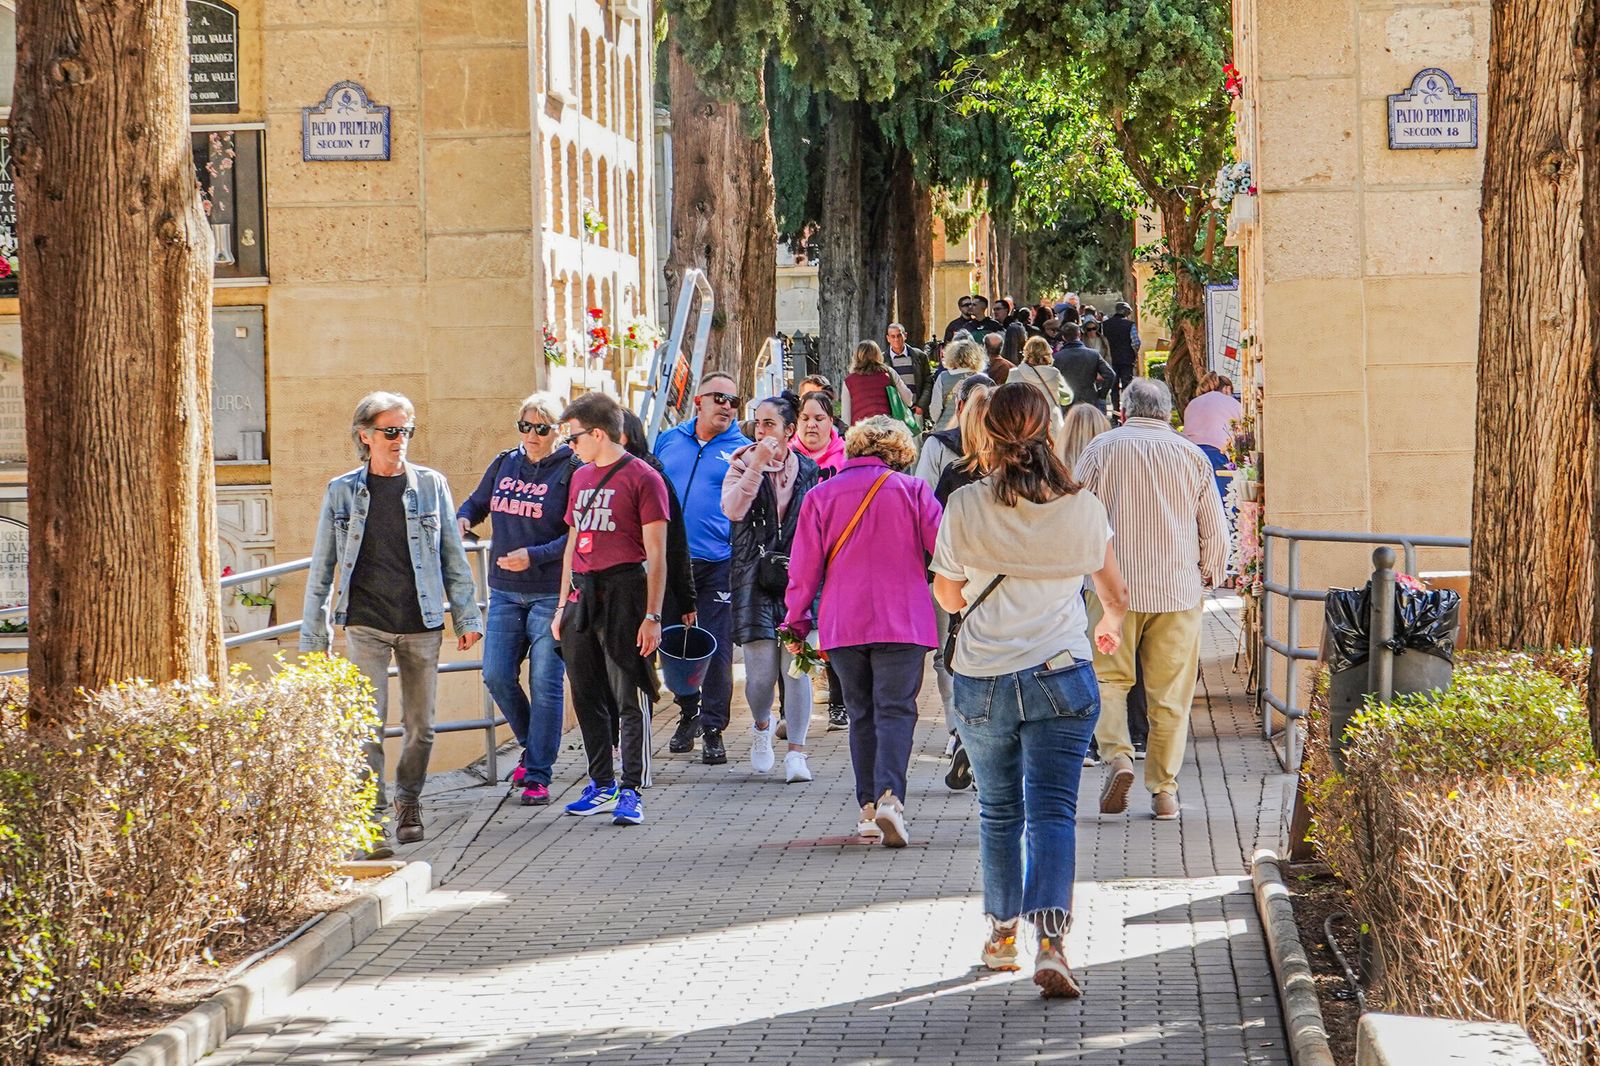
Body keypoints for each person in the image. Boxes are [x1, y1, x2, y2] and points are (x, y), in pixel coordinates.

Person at [932, 383, 1128, 996]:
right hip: (1061, 673)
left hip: (985, 677)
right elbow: (1114, 595)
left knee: (998, 810)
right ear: (1052, 432)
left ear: (987, 433)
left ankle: (1002, 934)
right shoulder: (1084, 507)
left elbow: (946, 593)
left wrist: (980, 597)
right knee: (1052, 810)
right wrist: (1110, 627)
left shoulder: (965, 505)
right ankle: (1052, 940)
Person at [301, 392, 484, 858]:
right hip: (365, 622)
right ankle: (371, 821)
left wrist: (465, 615)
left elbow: (451, 554)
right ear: (366, 436)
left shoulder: (430, 485)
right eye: (390, 431)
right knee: (367, 726)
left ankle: (408, 800)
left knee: (422, 728)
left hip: (421, 620)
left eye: (406, 431)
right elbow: (322, 567)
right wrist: (314, 635)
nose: (400, 439)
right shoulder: (342, 490)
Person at [1073, 379, 1229, 822]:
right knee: (1169, 696)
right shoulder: (1190, 454)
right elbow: (1213, 528)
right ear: (1168, 413)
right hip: (1176, 591)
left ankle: (1118, 756)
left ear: (1124, 410)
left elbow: (1079, 514)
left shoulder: (1102, 449)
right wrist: (1209, 577)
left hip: (1110, 590)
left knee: (1109, 681)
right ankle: (1164, 790)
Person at [783, 416, 942, 848]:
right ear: (900, 455)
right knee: (896, 710)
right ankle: (892, 796)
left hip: (843, 621)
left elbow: (803, 568)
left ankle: (868, 809)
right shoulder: (913, 492)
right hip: (903, 620)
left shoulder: (820, 496)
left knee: (861, 714)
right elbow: (943, 550)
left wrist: (796, 619)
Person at [554, 392, 670, 827]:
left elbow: (656, 554)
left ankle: (631, 789)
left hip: (626, 589)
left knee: (629, 690)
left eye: (575, 438)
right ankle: (600, 782)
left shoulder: (643, 478)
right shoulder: (581, 478)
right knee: (586, 692)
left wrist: (653, 615)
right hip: (583, 593)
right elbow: (571, 543)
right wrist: (562, 603)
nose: (571, 446)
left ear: (598, 433)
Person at [457, 392, 576, 807]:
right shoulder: (505, 462)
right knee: (496, 674)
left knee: (545, 681)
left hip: (548, 593)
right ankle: (532, 745)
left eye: (541, 428)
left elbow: (577, 535)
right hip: (505, 591)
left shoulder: (572, 469)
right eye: (525, 426)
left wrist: (536, 556)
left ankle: (539, 773)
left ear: (559, 430)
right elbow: (477, 502)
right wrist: (462, 520)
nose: (532, 435)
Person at [723, 393, 824, 783]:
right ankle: (762, 727)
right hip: (752, 579)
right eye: (757, 423)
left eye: (770, 424)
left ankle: (797, 752)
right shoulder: (740, 465)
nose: (761, 431)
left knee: (797, 670)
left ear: (789, 430)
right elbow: (732, 510)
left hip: (800, 581)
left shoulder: (811, 472)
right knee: (761, 675)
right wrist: (757, 468)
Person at [653, 373, 752, 764]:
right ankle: (687, 711)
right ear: (699, 401)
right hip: (670, 562)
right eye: (718, 397)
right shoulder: (669, 440)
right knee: (673, 644)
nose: (726, 405)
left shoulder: (743, 450)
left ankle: (713, 728)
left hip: (717, 564)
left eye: (733, 399)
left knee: (717, 647)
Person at [1182, 371, 1245, 499]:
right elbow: (1243, 431)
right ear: (1227, 389)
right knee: (1223, 498)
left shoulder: (1192, 404)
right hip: (1217, 452)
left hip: (1189, 454)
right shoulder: (1232, 402)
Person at [841, 340, 914, 425]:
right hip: (887, 426)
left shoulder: (849, 381)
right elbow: (908, 399)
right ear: (878, 355)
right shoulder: (888, 373)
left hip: (861, 429)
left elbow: (846, 415)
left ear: (857, 356)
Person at [1053, 322, 1116, 412]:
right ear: (1079, 334)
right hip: (1090, 400)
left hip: (1067, 403)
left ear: (1063, 337)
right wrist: (1102, 394)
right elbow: (1110, 375)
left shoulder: (1057, 358)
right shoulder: (1093, 354)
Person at [928, 338, 985, 428]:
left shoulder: (943, 377)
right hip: (973, 430)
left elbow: (935, 409)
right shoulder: (983, 379)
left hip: (946, 430)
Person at [885, 323, 934, 419]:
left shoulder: (919, 356)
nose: (896, 339)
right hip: (894, 413)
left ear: (905, 335)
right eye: (892, 336)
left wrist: (921, 406)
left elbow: (928, 382)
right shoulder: (882, 360)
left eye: (899, 335)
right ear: (888, 338)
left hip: (916, 411)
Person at [1014, 336, 1069, 421]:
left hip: (1024, 423)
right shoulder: (1054, 374)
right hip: (1049, 422)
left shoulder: (1014, 373)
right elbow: (1067, 399)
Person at [1101, 301, 1142, 411]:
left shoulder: (1105, 325)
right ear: (1126, 312)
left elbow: (1102, 342)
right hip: (1127, 359)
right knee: (1126, 386)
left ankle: (1115, 412)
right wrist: (1134, 353)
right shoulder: (1130, 325)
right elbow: (1136, 343)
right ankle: (1125, 411)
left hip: (1110, 360)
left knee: (1113, 387)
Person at [794, 390, 847, 474]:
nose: (811, 425)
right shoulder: (785, 455)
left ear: (831, 421)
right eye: (805, 418)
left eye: (819, 419)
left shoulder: (847, 457)